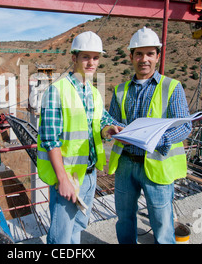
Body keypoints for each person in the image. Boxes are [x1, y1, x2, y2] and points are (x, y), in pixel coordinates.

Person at [108, 27, 192, 244]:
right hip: (126, 164)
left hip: (157, 163)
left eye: (149, 54)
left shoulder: (172, 87)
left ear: (157, 56)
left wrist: (159, 139)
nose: (143, 59)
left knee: (162, 222)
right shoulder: (120, 90)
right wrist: (114, 128)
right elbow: (112, 121)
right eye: (138, 54)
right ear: (131, 57)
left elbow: (185, 127)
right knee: (124, 218)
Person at [37, 31, 122, 244]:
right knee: (61, 236)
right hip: (67, 177)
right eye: (86, 57)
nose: (91, 62)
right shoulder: (56, 91)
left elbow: (101, 122)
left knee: (77, 228)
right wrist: (63, 179)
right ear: (74, 58)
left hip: (89, 174)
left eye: (95, 57)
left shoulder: (93, 92)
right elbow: (50, 139)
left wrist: (109, 129)